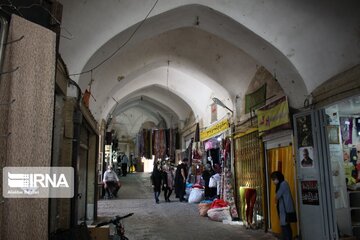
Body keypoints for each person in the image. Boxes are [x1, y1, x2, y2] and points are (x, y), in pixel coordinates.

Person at [271, 171, 295, 240]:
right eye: (273, 179)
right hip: (284, 209)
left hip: (285, 209)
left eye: (274, 179)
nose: (274, 181)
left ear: (278, 178)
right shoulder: (282, 184)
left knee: (285, 227)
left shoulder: (283, 184)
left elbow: (277, 196)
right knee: (286, 226)